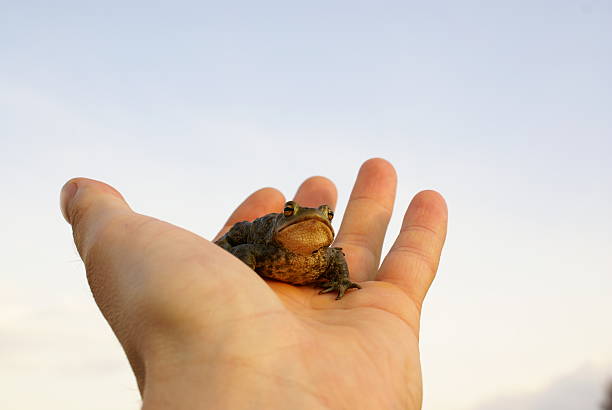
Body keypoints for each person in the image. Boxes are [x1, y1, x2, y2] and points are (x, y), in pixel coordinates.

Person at [60, 158, 448, 409]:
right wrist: (224, 273)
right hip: (251, 237)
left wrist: (342, 283)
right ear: (285, 219)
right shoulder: (268, 248)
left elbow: (338, 261)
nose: (317, 219)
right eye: (295, 214)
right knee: (233, 242)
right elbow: (244, 251)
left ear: (329, 224)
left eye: (327, 216)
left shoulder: (325, 256)